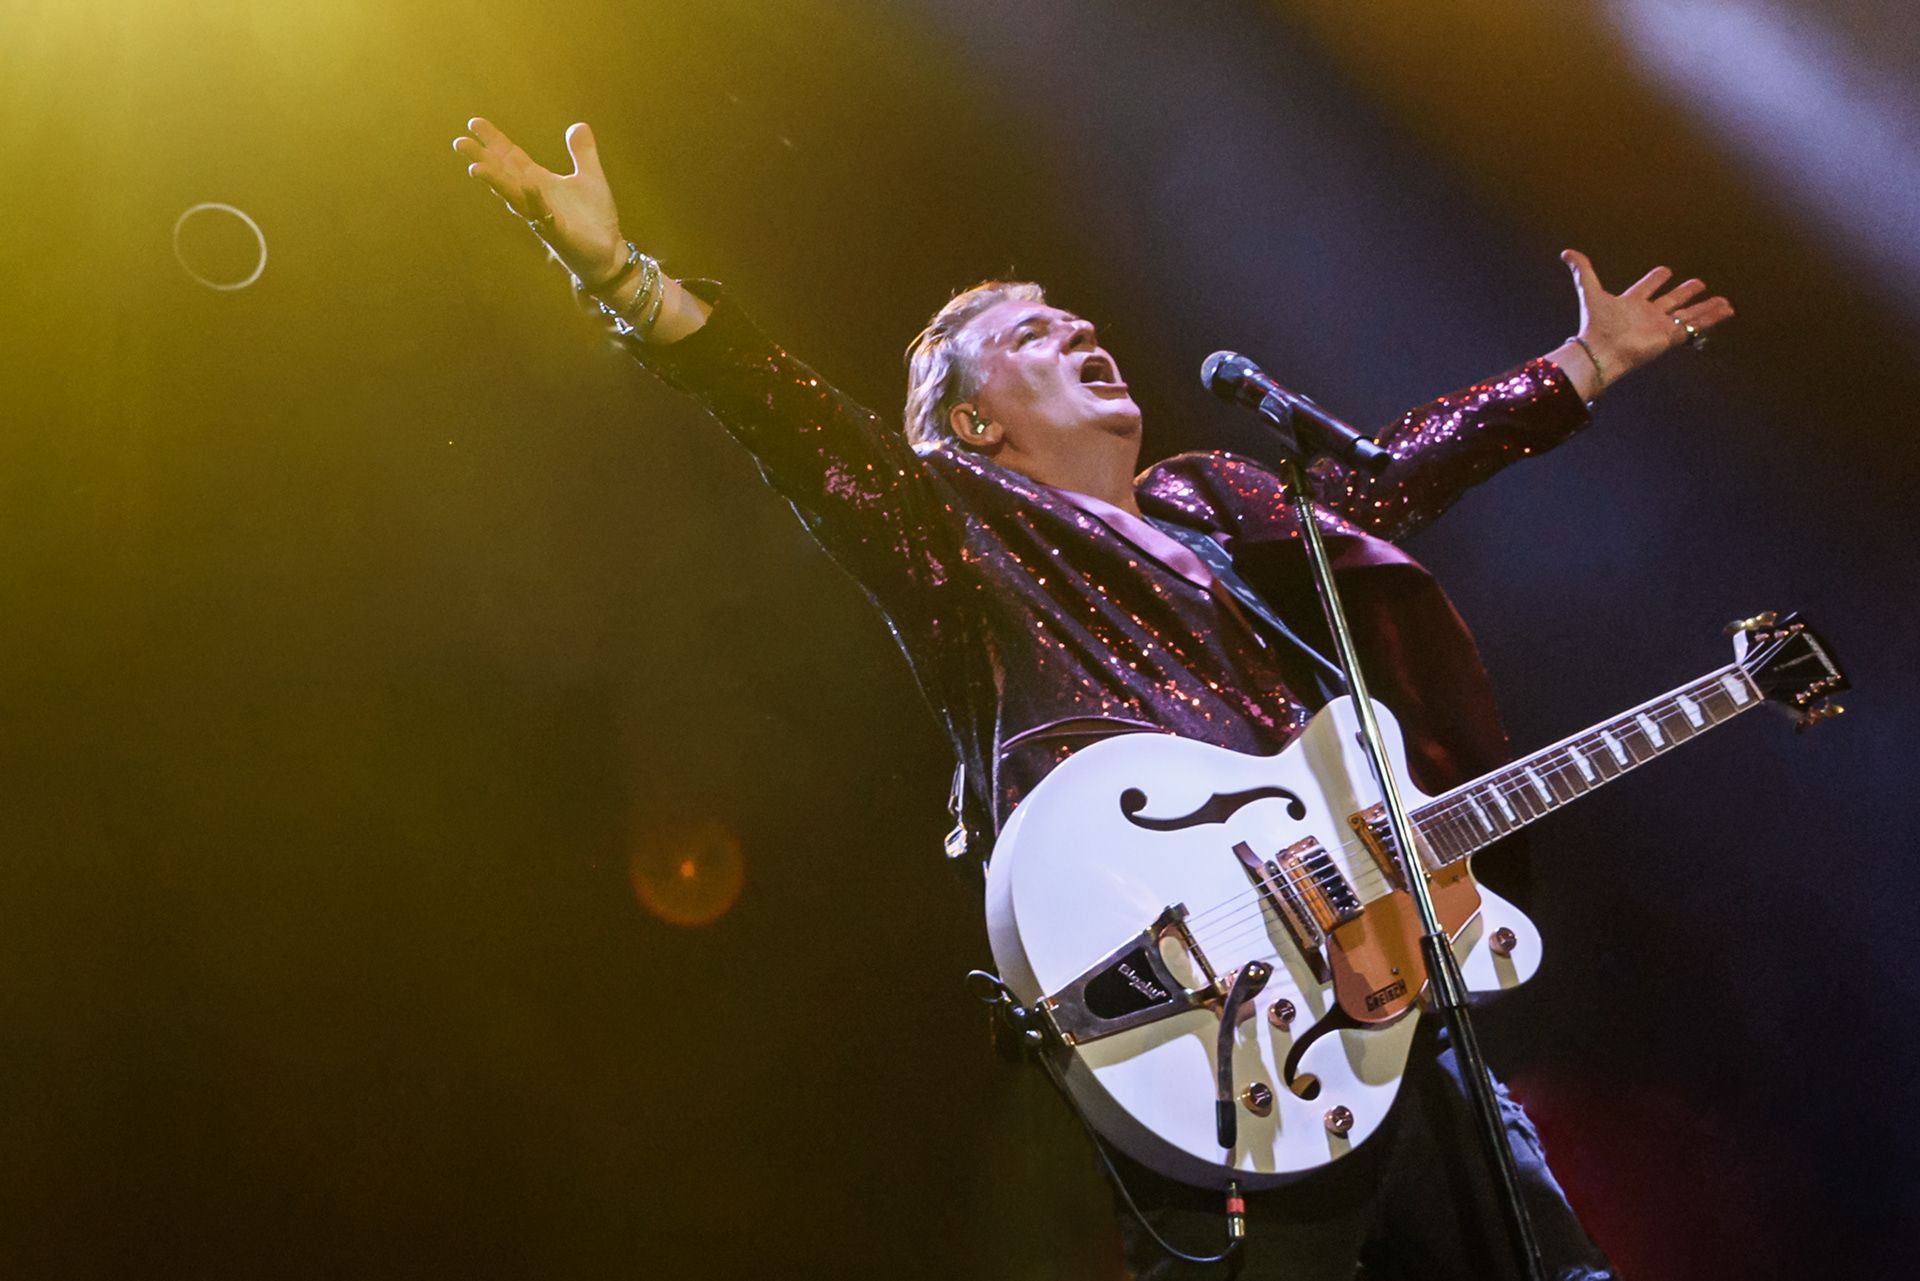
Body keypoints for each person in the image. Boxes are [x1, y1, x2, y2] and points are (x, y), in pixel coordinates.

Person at [453, 118, 1731, 1281]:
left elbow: (1382, 485)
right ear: (970, 428)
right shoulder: (952, 531)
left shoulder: (1215, 500)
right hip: (1200, 1024)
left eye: (1073, 321)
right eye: (1028, 337)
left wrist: (1581, 364)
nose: (1073, 333)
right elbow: (797, 426)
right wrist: (622, 276)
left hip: (1381, 981)